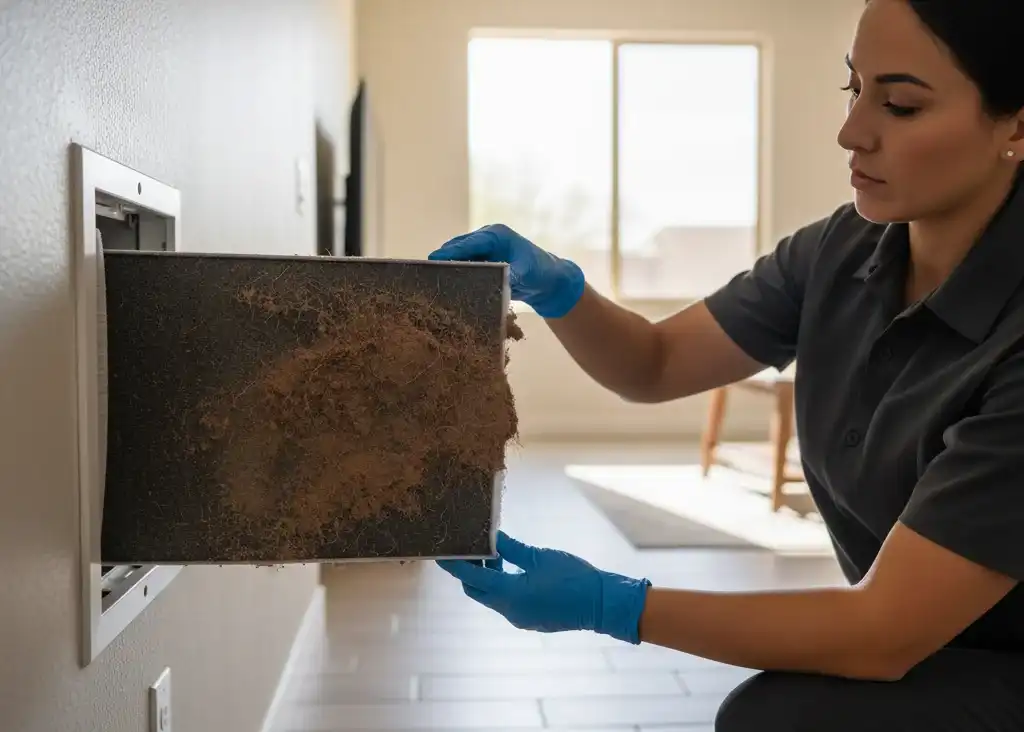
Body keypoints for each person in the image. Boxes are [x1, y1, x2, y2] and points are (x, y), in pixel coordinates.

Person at [428, 0, 1024, 730]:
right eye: (855, 88)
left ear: (1016, 125)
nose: (851, 131)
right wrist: (560, 290)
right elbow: (655, 363)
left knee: (778, 718)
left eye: (899, 105)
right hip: (943, 646)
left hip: (992, 658)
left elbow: (884, 633)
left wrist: (614, 605)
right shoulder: (842, 252)